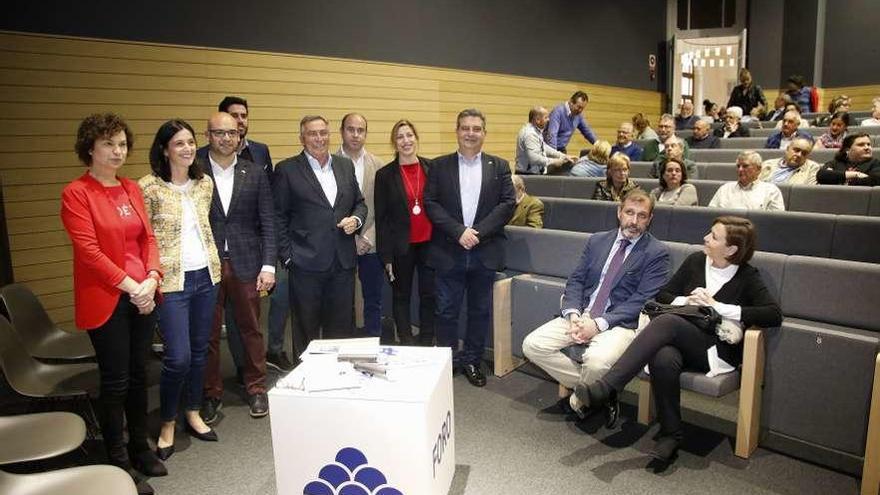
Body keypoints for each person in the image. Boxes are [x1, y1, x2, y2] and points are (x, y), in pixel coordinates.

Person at [573, 216, 782, 463]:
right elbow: (664, 295)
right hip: (681, 341)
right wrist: (686, 301)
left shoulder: (747, 276)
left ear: (731, 249)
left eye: (714, 236)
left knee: (667, 323)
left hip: (716, 351)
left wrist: (718, 306)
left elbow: (772, 314)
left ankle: (607, 387)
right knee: (663, 357)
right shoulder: (696, 261)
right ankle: (671, 435)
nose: (705, 237)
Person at [61, 113, 165, 494]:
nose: (117, 151)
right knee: (116, 381)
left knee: (140, 375)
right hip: (107, 298)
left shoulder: (131, 189)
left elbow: (148, 240)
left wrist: (151, 278)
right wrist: (131, 286)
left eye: (122, 144)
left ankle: (140, 447)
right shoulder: (77, 193)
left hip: (141, 292)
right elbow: (88, 251)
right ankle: (117, 459)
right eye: (109, 144)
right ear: (90, 148)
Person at [522, 189, 670, 425]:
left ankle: (585, 396)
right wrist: (573, 315)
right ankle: (602, 392)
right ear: (619, 212)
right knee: (532, 345)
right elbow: (577, 280)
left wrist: (598, 324)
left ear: (650, 219)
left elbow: (643, 299)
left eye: (642, 216)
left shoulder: (656, 253)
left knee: (597, 362)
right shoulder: (598, 240)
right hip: (582, 314)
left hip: (619, 324)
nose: (634, 221)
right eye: (629, 212)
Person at [139, 120, 221, 463]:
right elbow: (143, 239)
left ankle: (192, 412)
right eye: (178, 143)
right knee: (178, 357)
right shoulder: (148, 187)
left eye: (190, 142)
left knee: (201, 351)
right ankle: (168, 422)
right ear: (164, 149)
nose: (187, 149)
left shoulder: (204, 184)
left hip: (207, 276)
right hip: (171, 282)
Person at [423, 108, 515, 387]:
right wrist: (458, 231)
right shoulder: (439, 166)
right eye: (465, 128)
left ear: (484, 133)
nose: (470, 133)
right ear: (457, 131)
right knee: (446, 311)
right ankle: (448, 360)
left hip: (484, 251)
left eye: (476, 128)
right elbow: (431, 203)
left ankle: (473, 360)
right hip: (449, 250)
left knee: (479, 311)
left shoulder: (499, 166)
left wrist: (477, 233)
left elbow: (507, 204)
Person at [200, 112, 276, 424]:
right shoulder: (195, 172)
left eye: (232, 133)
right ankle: (210, 392)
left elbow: (268, 221)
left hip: (247, 262)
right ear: (208, 135)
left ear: (239, 136)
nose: (226, 138)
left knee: (251, 329)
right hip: (206, 264)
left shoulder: (254, 172)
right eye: (219, 133)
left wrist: (268, 265)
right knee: (207, 333)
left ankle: (256, 386)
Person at [274, 116, 367, 352]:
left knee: (341, 330)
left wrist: (356, 220)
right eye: (313, 134)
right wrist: (288, 257)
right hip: (305, 264)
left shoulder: (344, 166)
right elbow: (278, 217)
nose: (319, 138)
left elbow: (360, 203)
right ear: (302, 138)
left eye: (323, 133)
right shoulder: (286, 170)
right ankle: (308, 383)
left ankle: (338, 380)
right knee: (307, 332)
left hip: (343, 263)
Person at [375, 119, 435, 346]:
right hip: (401, 246)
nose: (406, 141)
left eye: (409, 135)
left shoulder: (431, 168)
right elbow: (382, 220)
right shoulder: (385, 175)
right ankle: (407, 341)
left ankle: (428, 339)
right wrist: (386, 256)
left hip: (430, 242)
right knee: (401, 296)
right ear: (394, 143)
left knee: (429, 295)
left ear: (416, 138)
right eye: (400, 137)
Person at [336, 113, 385, 340]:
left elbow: (384, 209)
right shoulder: (328, 163)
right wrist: (352, 239)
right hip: (340, 244)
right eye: (350, 129)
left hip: (371, 244)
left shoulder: (378, 166)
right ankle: (345, 346)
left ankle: (373, 341)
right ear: (342, 131)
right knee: (342, 301)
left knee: (372, 299)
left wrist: (368, 238)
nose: (356, 134)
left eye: (361, 130)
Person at [709, 151, 785, 210]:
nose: (740, 169)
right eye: (738, 166)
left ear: (758, 169)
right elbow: (710, 214)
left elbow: (775, 222)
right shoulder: (725, 189)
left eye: (745, 166)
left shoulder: (771, 191)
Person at [515, 106, 575, 175]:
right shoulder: (530, 134)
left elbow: (544, 147)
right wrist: (554, 161)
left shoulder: (535, 131)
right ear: (537, 120)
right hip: (528, 175)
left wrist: (563, 156)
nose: (548, 120)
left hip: (532, 174)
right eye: (546, 117)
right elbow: (534, 158)